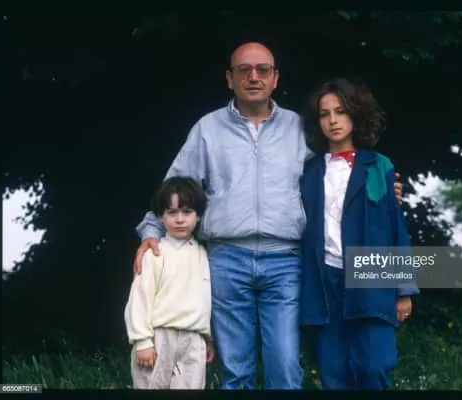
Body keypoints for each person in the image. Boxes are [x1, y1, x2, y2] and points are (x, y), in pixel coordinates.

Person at [133, 42, 405, 389]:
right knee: (236, 371)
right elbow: (174, 187)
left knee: (286, 368)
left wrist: (381, 185)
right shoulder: (207, 129)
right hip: (226, 259)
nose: (254, 77)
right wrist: (151, 232)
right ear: (229, 79)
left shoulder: (299, 127)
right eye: (244, 70)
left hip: (286, 261)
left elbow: (339, 174)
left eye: (263, 69)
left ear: (275, 78)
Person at [298, 78, 419, 390]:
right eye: (325, 114)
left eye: (340, 111)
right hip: (324, 279)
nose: (333, 120)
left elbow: (395, 227)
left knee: (373, 366)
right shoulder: (308, 171)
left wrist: (404, 288)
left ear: (355, 114)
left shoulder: (379, 166)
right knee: (332, 372)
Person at [124, 177, 215, 389]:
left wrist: (207, 337)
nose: (180, 219)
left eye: (187, 212)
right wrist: (142, 341)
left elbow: (204, 300)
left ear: (198, 216)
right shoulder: (154, 253)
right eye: (172, 213)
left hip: (193, 339)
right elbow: (140, 298)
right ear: (160, 217)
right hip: (159, 337)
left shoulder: (203, 254)